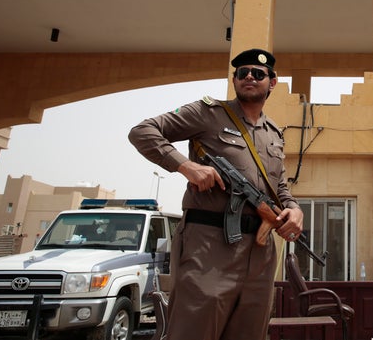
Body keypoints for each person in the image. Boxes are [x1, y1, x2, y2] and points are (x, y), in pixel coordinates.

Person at [128, 48, 304, 340]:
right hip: (209, 244)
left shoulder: (274, 133)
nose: (249, 77)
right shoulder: (207, 113)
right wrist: (186, 166)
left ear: (272, 82)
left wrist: (294, 209)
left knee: (250, 331)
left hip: (260, 252)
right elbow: (143, 131)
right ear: (234, 80)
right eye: (242, 73)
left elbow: (280, 186)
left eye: (258, 74)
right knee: (195, 329)